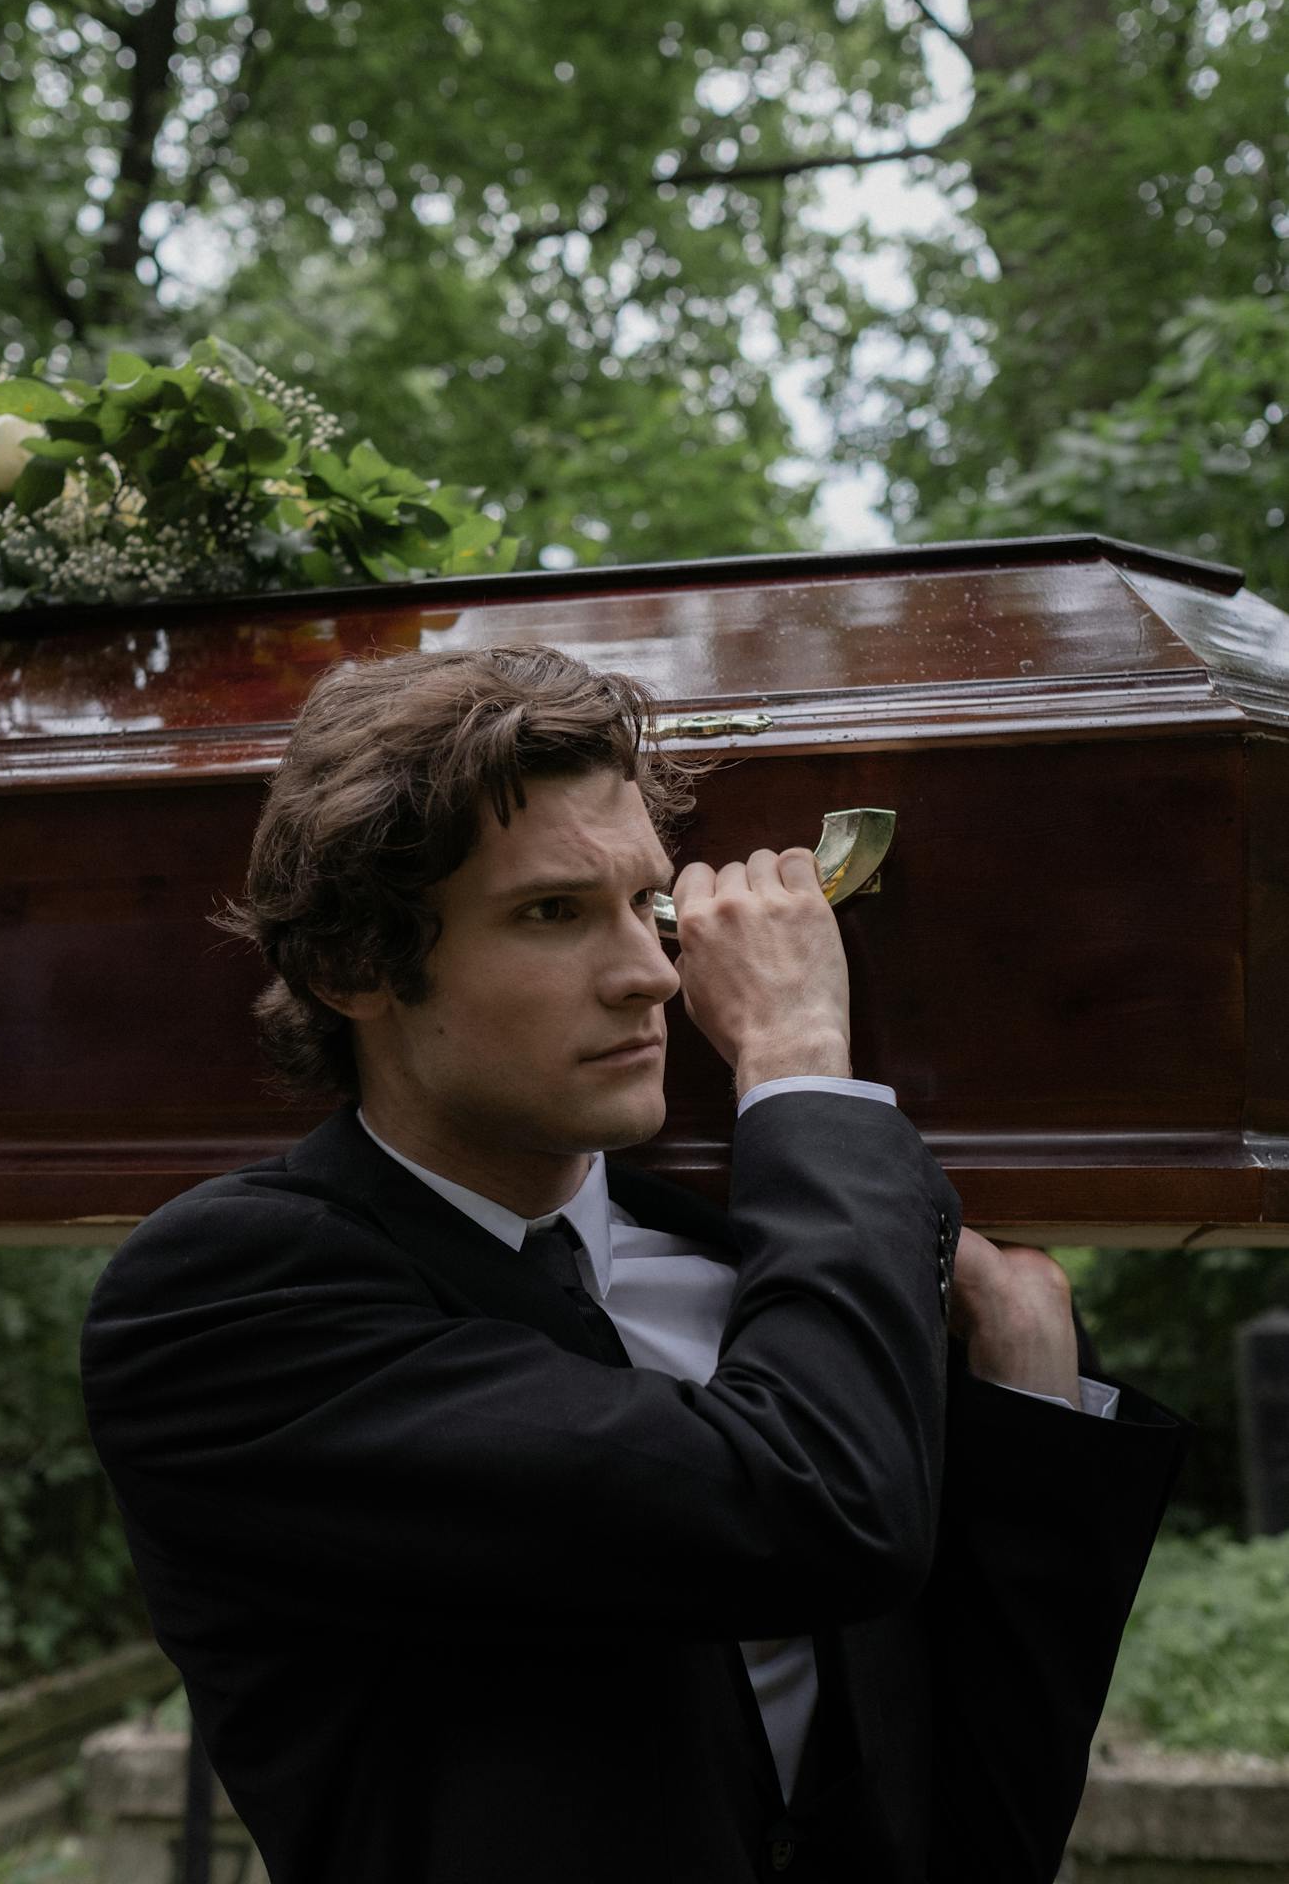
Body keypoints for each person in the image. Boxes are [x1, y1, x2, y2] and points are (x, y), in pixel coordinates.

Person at [81, 643, 1188, 1884]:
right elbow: (813, 1508)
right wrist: (799, 1062)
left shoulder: (783, 1267)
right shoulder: (226, 1302)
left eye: (648, 905)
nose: (656, 974)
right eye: (551, 911)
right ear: (351, 966)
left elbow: (988, 1811)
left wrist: (1026, 1366)